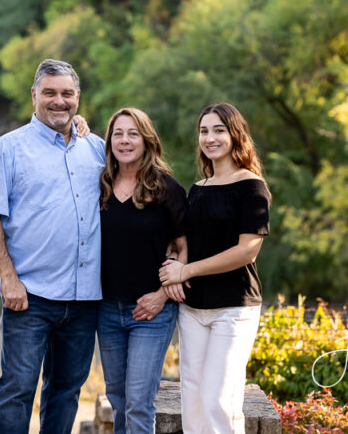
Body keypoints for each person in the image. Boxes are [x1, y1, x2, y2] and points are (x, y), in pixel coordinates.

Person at [0, 58, 106, 434]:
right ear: (34, 95)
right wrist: (8, 277)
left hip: (85, 298)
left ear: (78, 97)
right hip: (30, 296)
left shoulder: (97, 148)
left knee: (66, 391)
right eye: (49, 93)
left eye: (67, 93)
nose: (58, 101)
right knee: (16, 390)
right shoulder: (8, 149)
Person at [159, 102, 271, 434]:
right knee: (192, 401)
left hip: (233, 308)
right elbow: (185, 242)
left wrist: (187, 271)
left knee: (219, 401)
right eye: (204, 131)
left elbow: (247, 251)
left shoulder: (252, 186)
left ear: (236, 135)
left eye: (219, 130)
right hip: (193, 308)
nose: (210, 138)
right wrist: (175, 264)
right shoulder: (198, 189)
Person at [97, 107, 187, 434]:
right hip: (107, 309)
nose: (125, 140)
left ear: (147, 140)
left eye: (133, 134)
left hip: (152, 311)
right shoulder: (101, 185)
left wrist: (162, 295)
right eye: (118, 134)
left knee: (138, 402)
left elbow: (184, 249)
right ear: (109, 141)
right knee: (118, 399)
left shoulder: (167, 189)